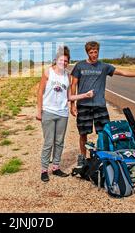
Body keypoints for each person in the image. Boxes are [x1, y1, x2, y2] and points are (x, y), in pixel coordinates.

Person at [70, 41, 135, 164]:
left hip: (100, 106)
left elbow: (123, 73)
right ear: (87, 52)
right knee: (83, 134)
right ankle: (83, 157)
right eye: (91, 52)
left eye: (95, 52)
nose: (94, 54)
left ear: (98, 51)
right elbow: (73, 84)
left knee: (104, 133)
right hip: (83, 105)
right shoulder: (79, 66)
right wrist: (72, 104)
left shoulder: (104, 67)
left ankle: (103, 156)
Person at [36, 46, 94, 182]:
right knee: (48, 142)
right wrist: (39, 110)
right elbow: (40, 92)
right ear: (56, 60)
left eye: (66, 61)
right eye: (62, 60)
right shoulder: (48, 72)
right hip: (48, 112)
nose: (64, 63)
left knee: (59, 142)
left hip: (62, 113)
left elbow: (69, 97)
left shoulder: (67, 76)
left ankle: (55, 167)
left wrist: (85, 95)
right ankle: (44, 170)